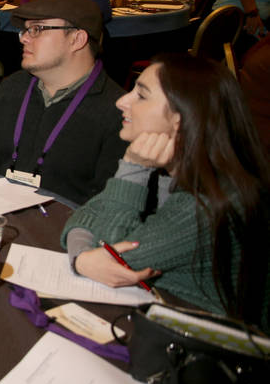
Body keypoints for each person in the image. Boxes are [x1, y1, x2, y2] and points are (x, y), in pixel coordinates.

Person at [62, 54, 269, 329]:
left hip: (202, 347)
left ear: (181, 118)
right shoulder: (173, 173)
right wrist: (83, 259)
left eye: (142, 95)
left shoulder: (206, 204)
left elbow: (112, 254)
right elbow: (89, 210)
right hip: (164, 319)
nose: (121, 100)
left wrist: (132, 167)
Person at [0, 0, 128, 204]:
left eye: (37, 29)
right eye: (25, 30)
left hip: (63, 229)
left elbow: (108, 204)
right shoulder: (13, 87)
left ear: (77, 39)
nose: (24, 38)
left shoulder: (118, 112)